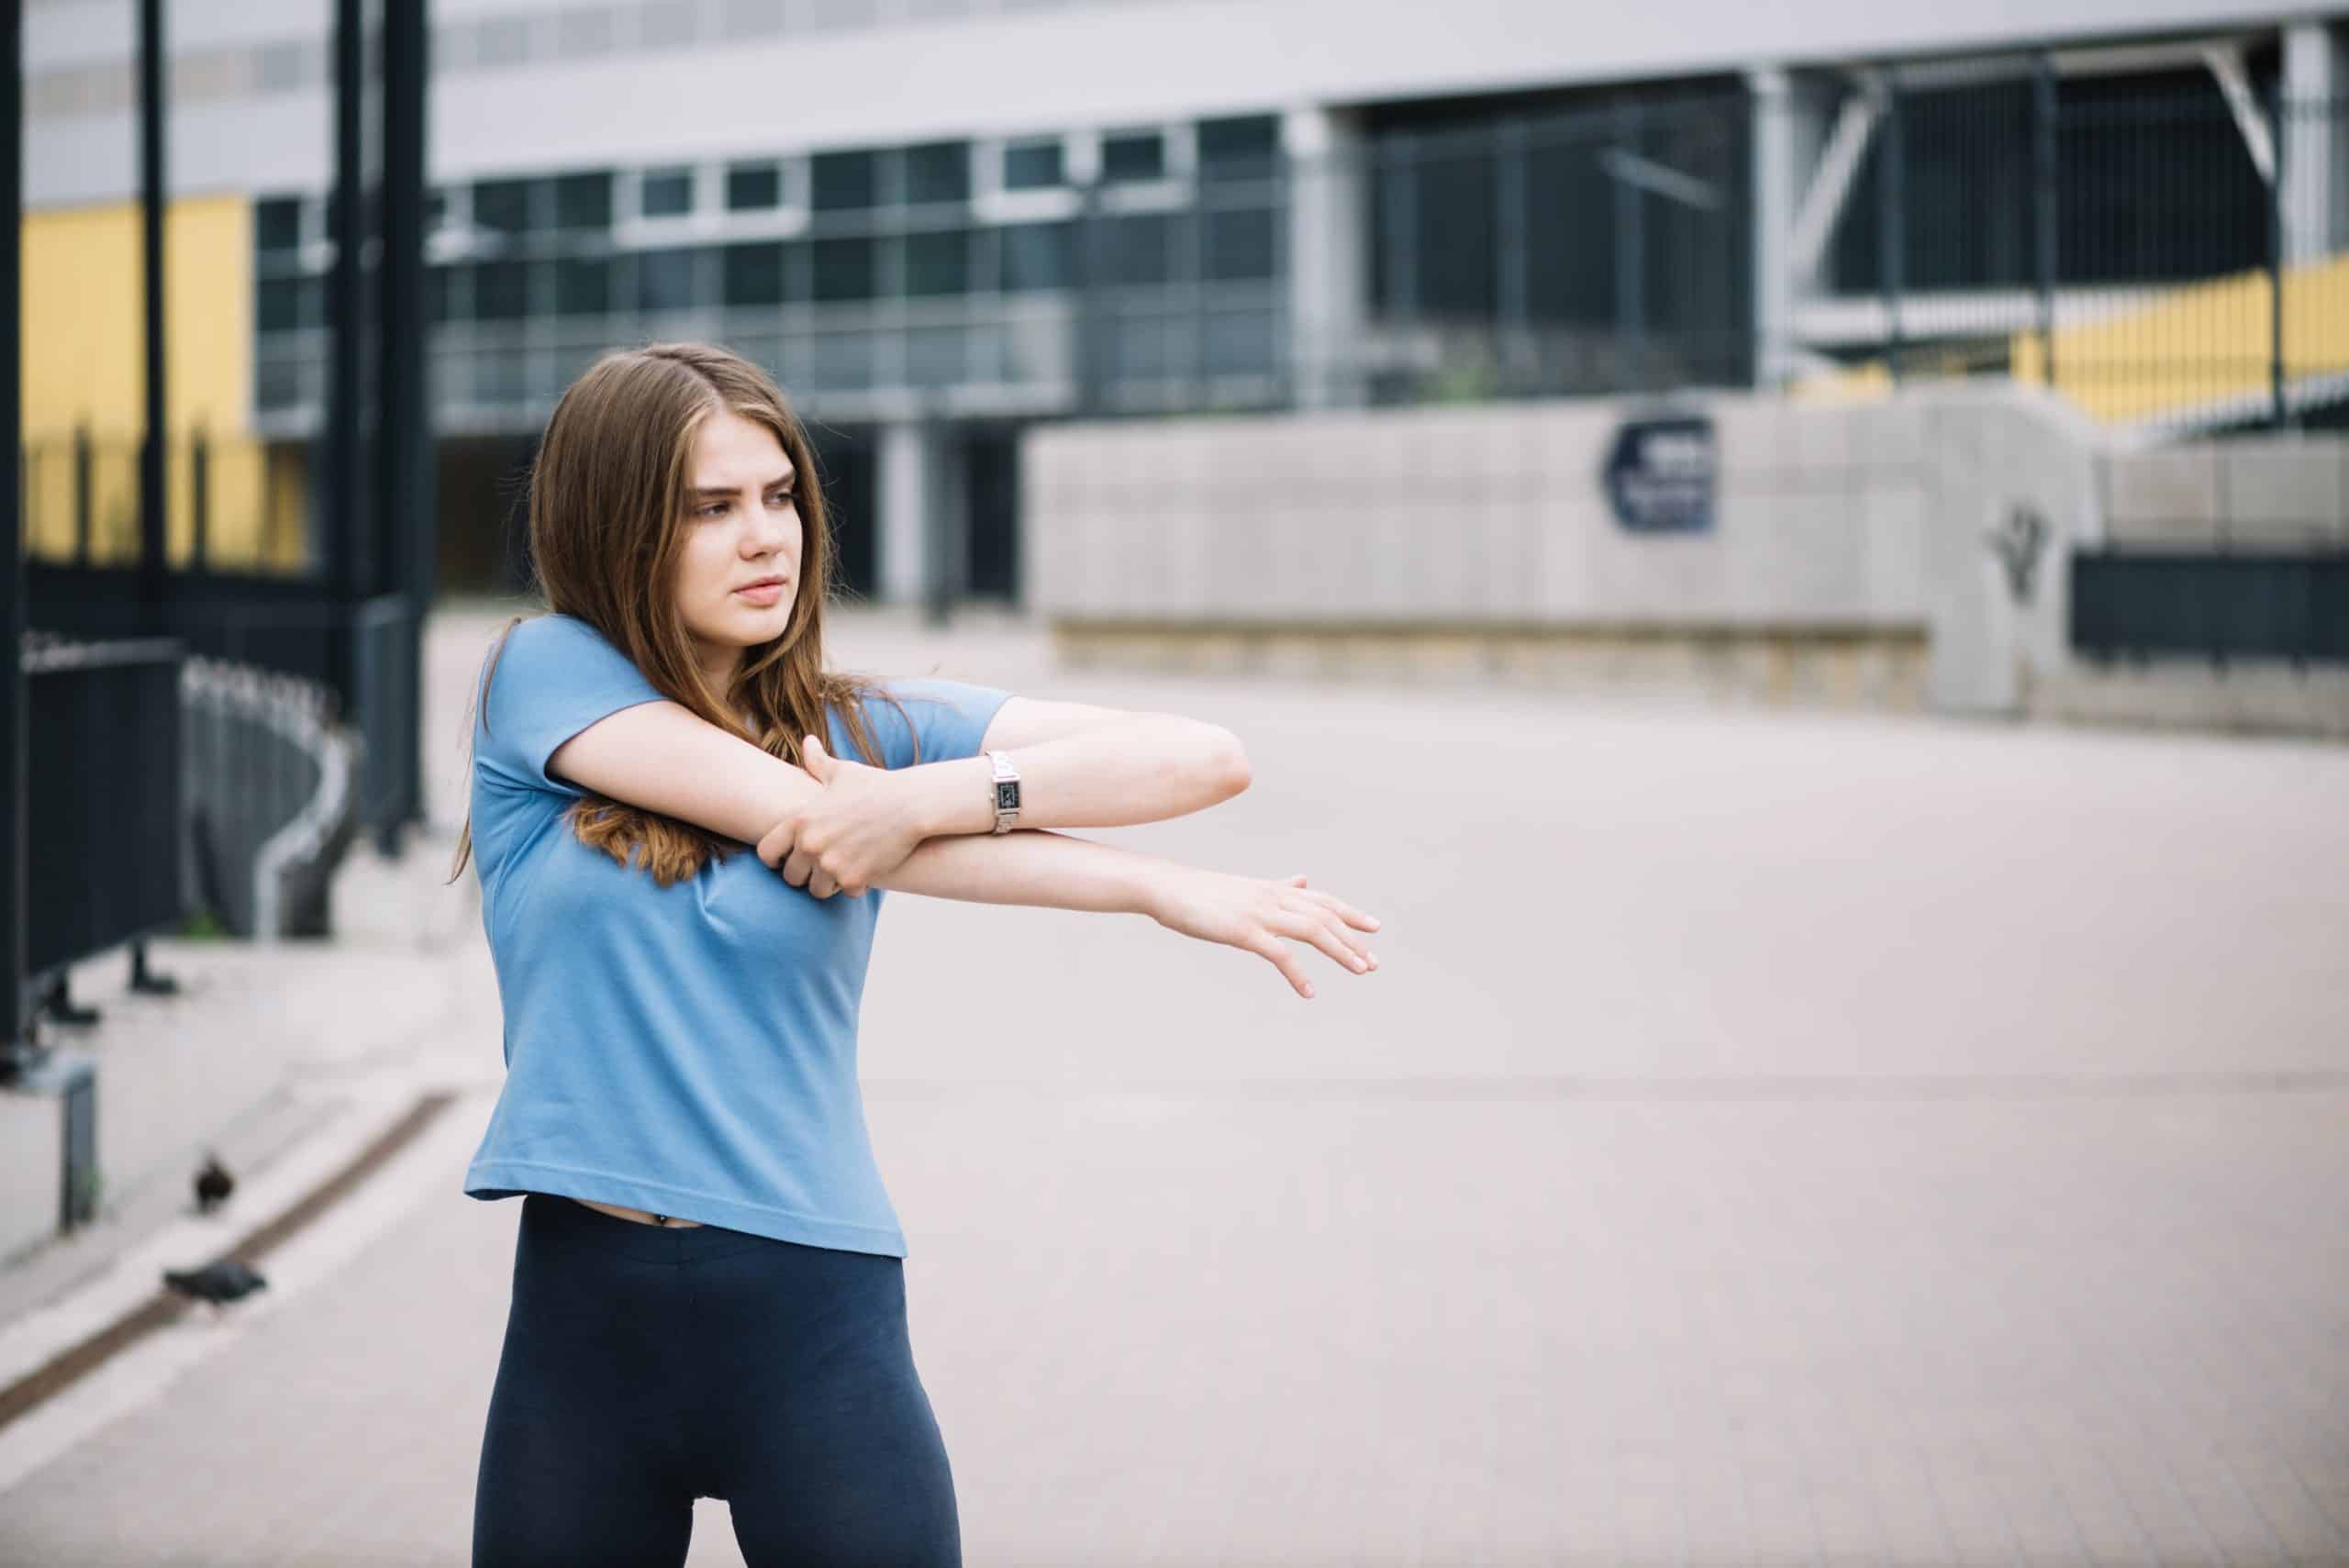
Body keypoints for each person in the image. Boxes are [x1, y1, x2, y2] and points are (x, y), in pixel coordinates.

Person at [450, 341, 1379, 1566]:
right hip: (584, 1323)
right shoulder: (543, 675)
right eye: (711, 508)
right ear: (615, 527)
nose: (766, 538)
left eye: (781, 496)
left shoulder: (866, 732)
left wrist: (936, 797)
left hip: (812, 1311)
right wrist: (1135, 879)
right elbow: (813, 821)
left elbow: (1204, 755)